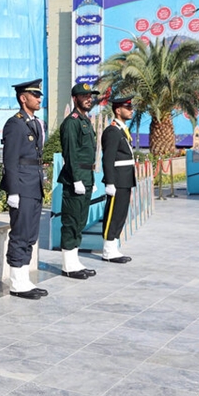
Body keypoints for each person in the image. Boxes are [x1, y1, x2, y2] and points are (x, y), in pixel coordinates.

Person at [1, 79, 49, 299]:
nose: (39, 98)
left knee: (30, 233)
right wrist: (13, 191)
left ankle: (24, 278)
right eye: (35, 94)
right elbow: (10, 159)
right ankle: (16, 282)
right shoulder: (15, 124)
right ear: (23, 98)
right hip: (22, 184)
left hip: (34, 183)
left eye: (39, 95)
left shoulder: (36, 122)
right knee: (20, 233)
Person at [58, 83, 98, 279]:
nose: (89, 98)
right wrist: (76, 179)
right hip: (76, 178)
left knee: (80, 221)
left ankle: (74, 261)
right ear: (75, 98)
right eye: (84, 96)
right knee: (72, 221)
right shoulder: (71, 123)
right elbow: (70, 153)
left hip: (86, 177)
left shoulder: (85, 121)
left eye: (90, 95)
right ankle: (67, 265)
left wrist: (90, 178)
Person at [100, 93, 136, 263]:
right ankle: (108, 250)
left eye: (131, 107)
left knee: (121, 213)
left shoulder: (122, 130)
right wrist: (110, 182)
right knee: (113, 214)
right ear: (118, 110)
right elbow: (108, 158)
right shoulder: (112, 131)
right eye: (127, 107)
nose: (131, 110)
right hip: (117, 180)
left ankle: (114, 247)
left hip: (125, 178)